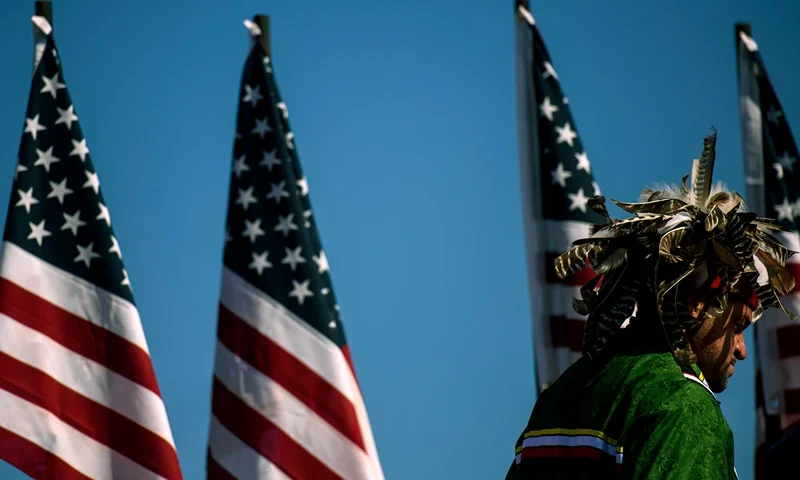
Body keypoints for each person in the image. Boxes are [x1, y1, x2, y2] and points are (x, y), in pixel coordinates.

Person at [505, 130, 797, 479]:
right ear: (697, 305)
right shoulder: (681, 406)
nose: (741, 349)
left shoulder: (559, 398)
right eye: (738, 327)